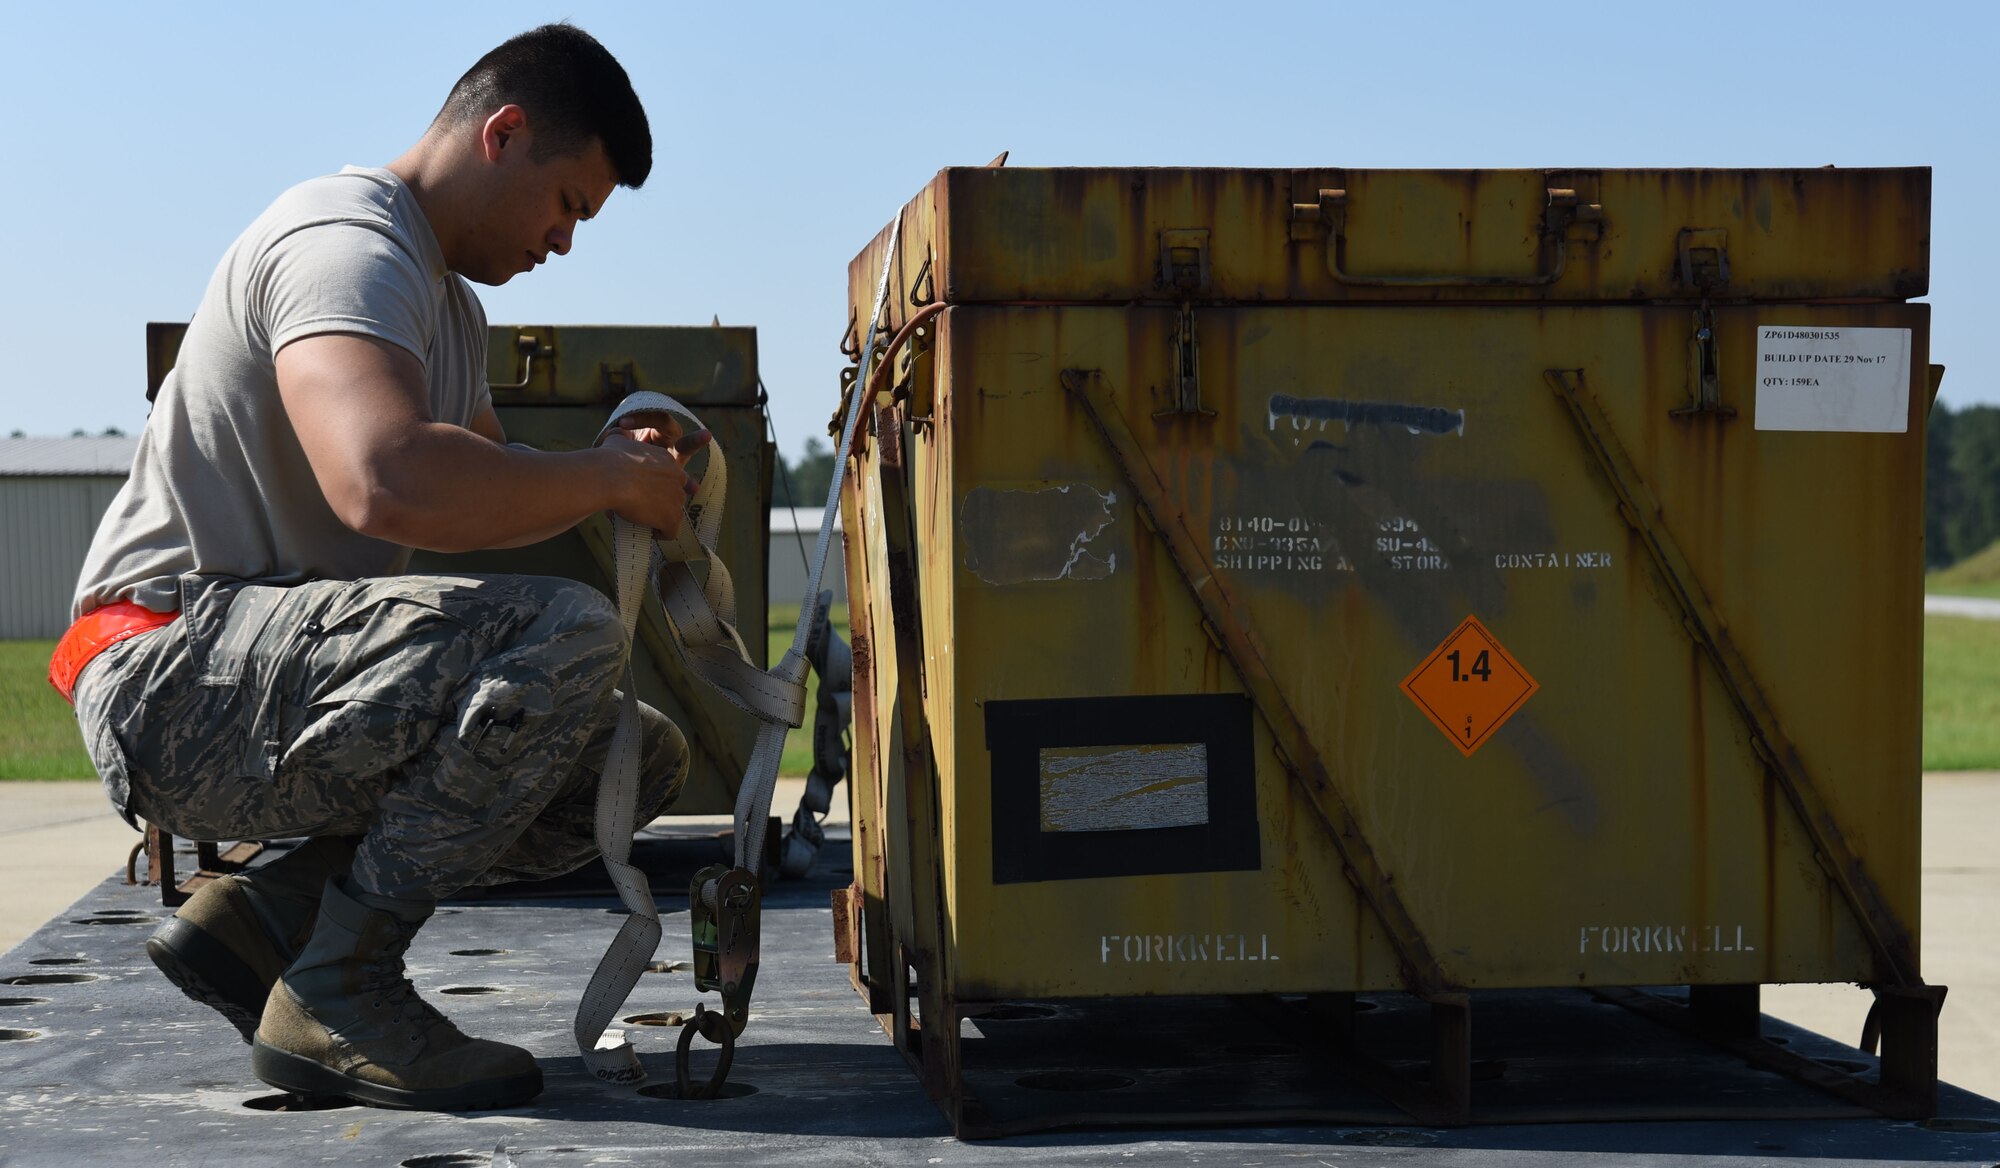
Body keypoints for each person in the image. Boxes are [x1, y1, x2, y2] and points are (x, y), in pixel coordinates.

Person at [55, 24, 698, 1113]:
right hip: (162, 663)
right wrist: (599, 478)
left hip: (252, 668)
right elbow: (386, 481)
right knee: (570, 632)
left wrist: (623, 467)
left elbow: (481, 488)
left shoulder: (449, 307)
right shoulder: (346, 241)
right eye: (567, 205)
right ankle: (342, 987)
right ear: (503, 133)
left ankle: (269, 918)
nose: (564, 241)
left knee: (628, 756)